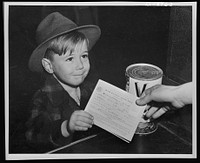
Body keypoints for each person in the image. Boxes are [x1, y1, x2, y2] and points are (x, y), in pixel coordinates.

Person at [25, 12, 101, 152]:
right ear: (49, 66)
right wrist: (66, 127)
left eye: (84, 56)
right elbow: (33, 136)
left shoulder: (92, 89)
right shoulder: (42, 98)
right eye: (70, 59)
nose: (80, 65)